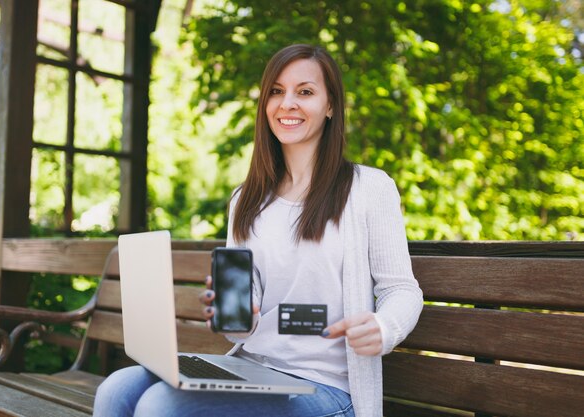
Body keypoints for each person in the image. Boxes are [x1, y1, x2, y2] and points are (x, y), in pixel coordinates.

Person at [93, 44, 423, 417]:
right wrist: (238, 316)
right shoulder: (246, 199)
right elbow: (242, 324)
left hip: (327, 389)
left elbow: (401, 290)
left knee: (161, 407)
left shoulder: (368, 189)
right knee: (115, 389)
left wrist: (383, 326)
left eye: (306, 92)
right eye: (277, 92)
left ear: (331, 106)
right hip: (253, 369)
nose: (288, 104)